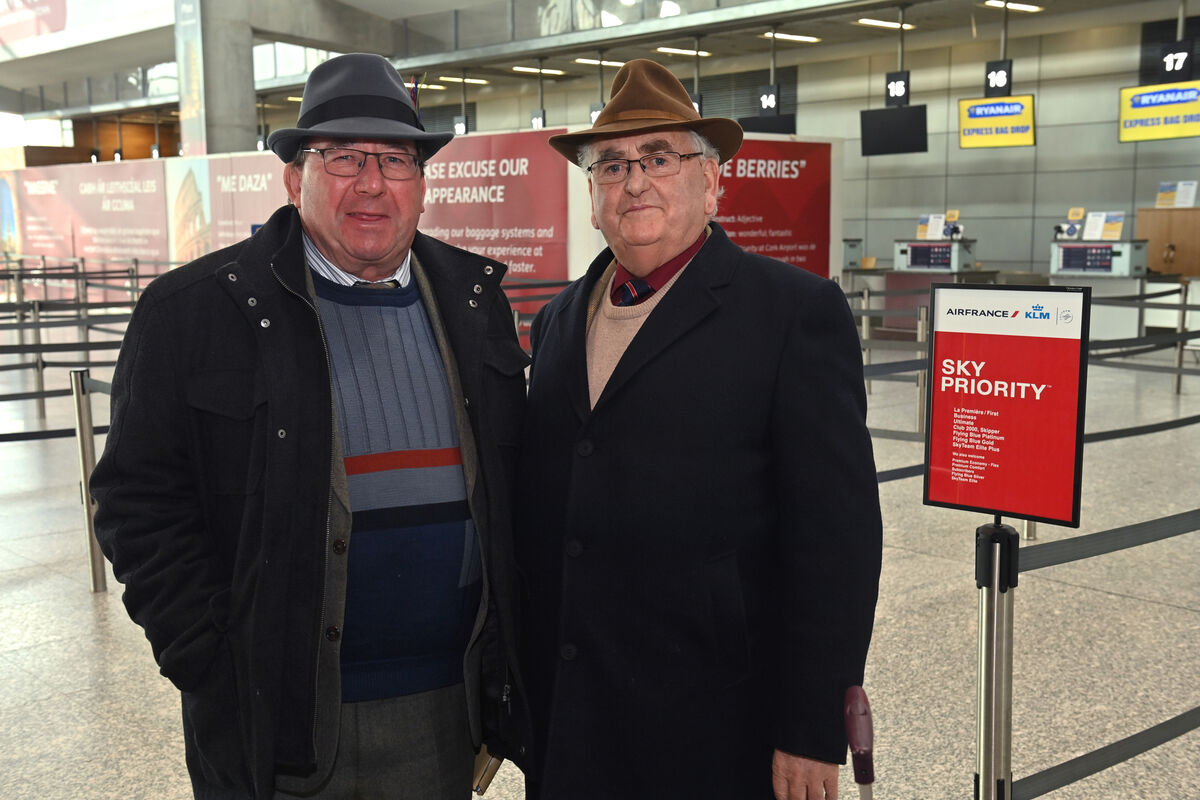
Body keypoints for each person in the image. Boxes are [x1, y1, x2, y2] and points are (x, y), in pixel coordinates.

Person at [91, 53, 532, 799]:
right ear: (295, 181)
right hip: (277, 716)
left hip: (445, 711)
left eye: (395, 160)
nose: (372, 183)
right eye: (343, 157)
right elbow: (135, 500)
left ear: (422, 185)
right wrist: (210, 659)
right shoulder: (195, 312)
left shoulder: (474, 300)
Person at [515, 59, 883, 800]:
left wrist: (810, 725)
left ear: (713, 182)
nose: (634, 182)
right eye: (612, 165)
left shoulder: (791, 313)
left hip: (714, 726)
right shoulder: (557, 320)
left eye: (660, 158)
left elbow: (836, 540)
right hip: (573, 720)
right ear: (591, 197)